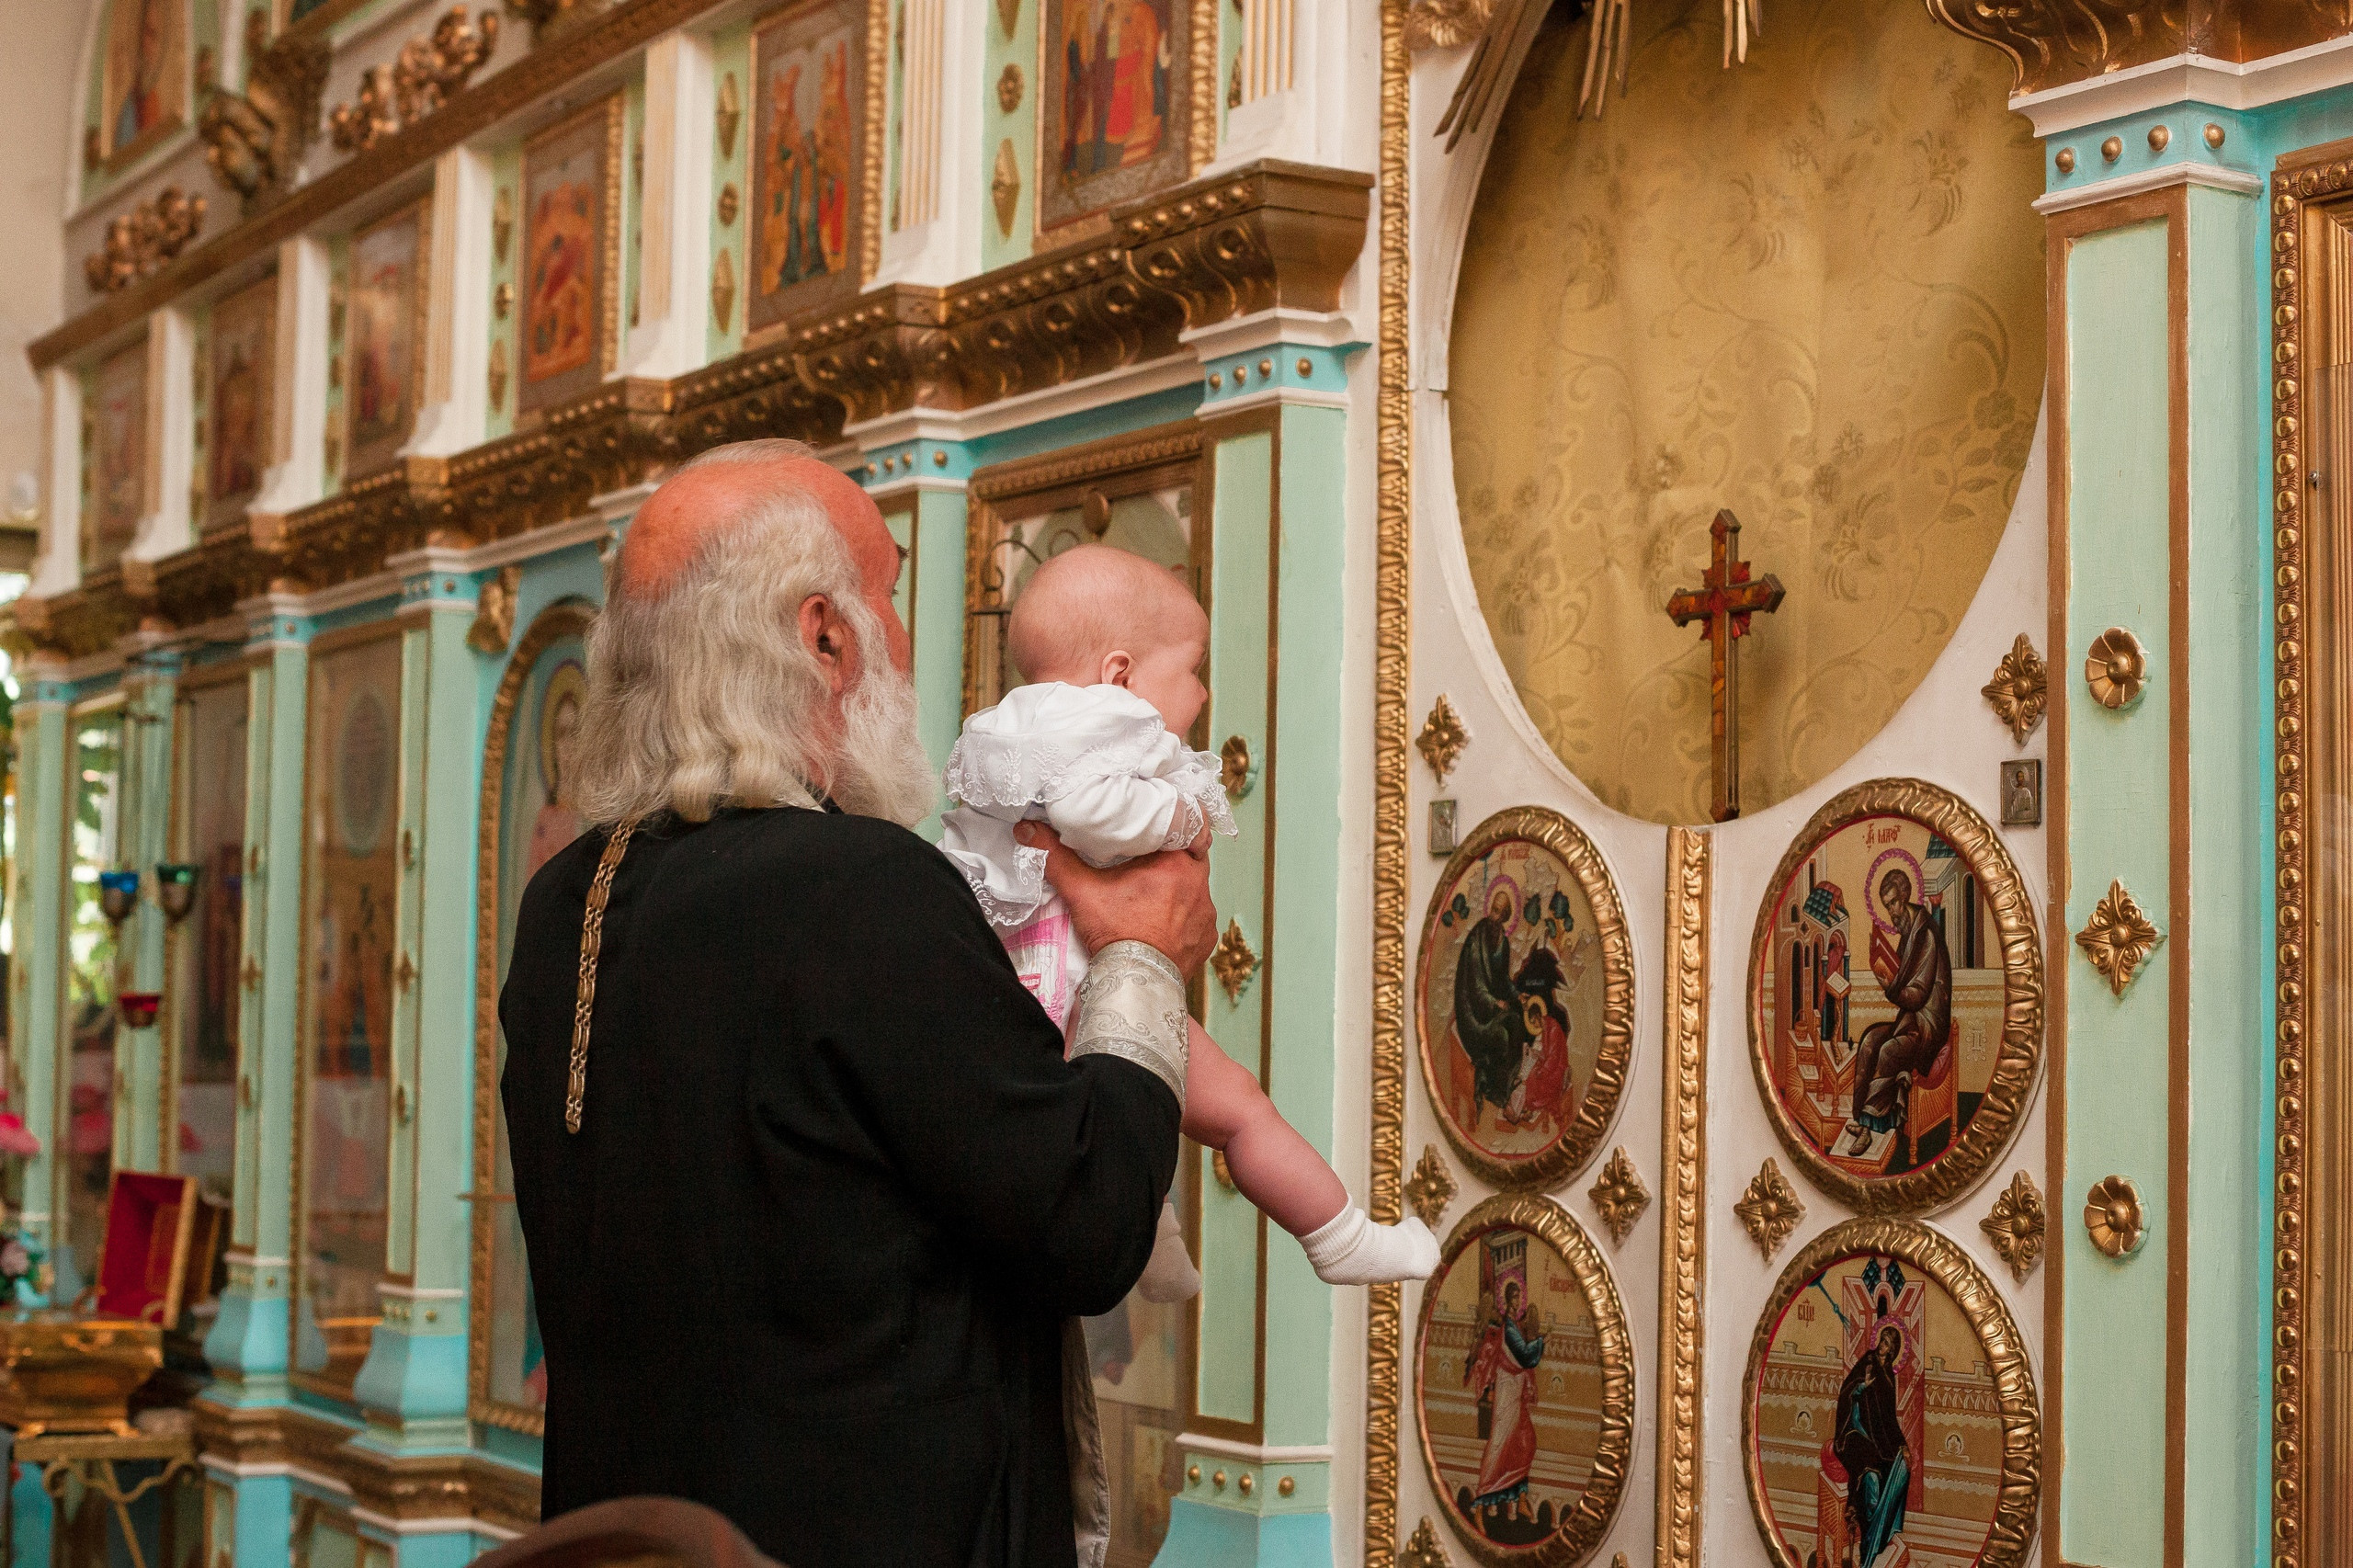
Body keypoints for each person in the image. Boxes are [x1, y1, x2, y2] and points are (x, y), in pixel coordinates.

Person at [499, 439, 1215, 1568]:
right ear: (823, 634)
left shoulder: (567, 902)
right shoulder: (860, 887)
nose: (901, 640)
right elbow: (1087, 1222)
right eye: (887, 596)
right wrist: (1140, 957)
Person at [939, 545, 1437, 1288]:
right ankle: (1340, 1239)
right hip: (1077, 982)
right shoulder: (1098, 723)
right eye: (1191, 669)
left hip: (1014, 980)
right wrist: (1179, 816)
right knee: (1238, 1109)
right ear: (1119, 674)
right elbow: (1088, 811)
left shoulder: (1008, 729)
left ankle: (1156, 1242)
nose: (1201, 696)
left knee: (1142, 1107)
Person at [1840, 869, 1951, 1159]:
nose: (1890, 912)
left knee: (1889, 1050)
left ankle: (1868, 1129)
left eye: (1893, 903)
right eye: (1886, 905)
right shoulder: (1908, 930)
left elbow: (1916, 995)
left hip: (1928, 1023)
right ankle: (1861, 1118)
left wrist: (1887, 984)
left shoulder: (1925, 934)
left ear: (1905, 897)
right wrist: (1885, 971)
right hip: (1910, 1019)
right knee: (1869, 1040)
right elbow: (1901, 977)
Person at [1465, 1277, 1544, 1529]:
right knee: (1500, 1444)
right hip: (1508, 1392)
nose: (1519, 1301)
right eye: (1515, 1298)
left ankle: (1520, 1496)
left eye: (1520, 1297)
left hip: (1515, 1391)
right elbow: (1525, 1356)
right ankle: (1480, 1502)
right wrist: (1541, 1343)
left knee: (1524, 1441)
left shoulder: (1515, 1327)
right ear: (1507, 1301)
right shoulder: (1509, 1328)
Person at [1832, 1324, 1912, 1568]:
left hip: (1877, 1437)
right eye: (1882, 1340)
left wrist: (1903, 1445)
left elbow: (1888, 1417)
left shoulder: (1889, 1375)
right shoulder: (1867, 1362)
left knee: (1896, 1468)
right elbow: (1846, 1393)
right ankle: (1859, 1519)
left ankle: (1875, 1535)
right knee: (1870, 1468)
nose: (1882, 1345)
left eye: (1888, 1343)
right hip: (1853, 1431)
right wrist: (1860, 1387)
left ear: (1894, 1350)